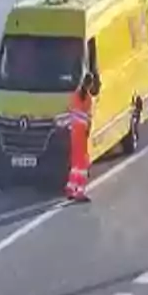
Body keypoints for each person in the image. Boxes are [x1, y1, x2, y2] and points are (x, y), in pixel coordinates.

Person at [65, 73, 96, 202]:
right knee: (82, 164)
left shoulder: (75, 95)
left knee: (75, 162)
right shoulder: (88, 98)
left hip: (73, 132)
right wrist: (88, 131)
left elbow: (70, 112)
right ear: (90, 84)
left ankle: (71, 188)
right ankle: (80, 191)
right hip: (82, 132)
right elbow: (88, 118)